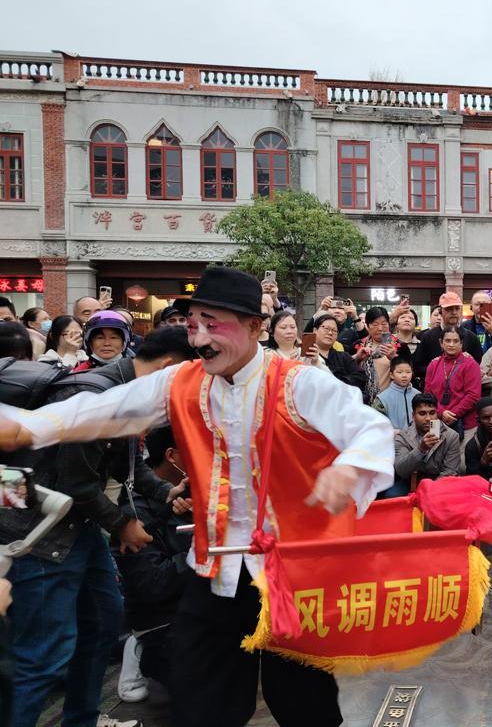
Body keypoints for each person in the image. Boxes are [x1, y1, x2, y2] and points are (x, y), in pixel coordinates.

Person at [0, 266, 395, 727]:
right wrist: (31, 427)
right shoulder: (181, 381)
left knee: (305, 704)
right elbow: (105, 408)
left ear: (254, 326)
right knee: (200, 700)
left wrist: (348, 469)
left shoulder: (299, 382)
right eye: (194, 325)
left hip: (294, 576)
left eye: (213, 324)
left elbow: (369, 427)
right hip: (215, 569)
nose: (200, 339)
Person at [1, 327, 196, 727]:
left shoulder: (126, 392)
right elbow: (76, 483)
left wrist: (165, 492)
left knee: (103, 624)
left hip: (77, 529)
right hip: (40, 534)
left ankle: (82, 719)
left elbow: (129, 462)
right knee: (44, 654)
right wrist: (123, 524)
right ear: (170, 368)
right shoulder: (91, 393)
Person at [113, 426, 192, 704]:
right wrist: (200, 552)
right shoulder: (133, 514)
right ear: (172, 455)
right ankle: (140, 650)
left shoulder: (194, 491)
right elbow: (152, 583)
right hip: (165, 621)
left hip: (201, 606)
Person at [389, 393, 461, 497]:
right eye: (422, 413)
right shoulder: (403, 437)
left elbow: (450, 471)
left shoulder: (451, 436)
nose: (428, 418)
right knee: (392, 495)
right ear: (413, 415)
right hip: (412, 482)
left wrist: (429, 491)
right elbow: (401, 471)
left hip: (440, 483)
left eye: (432, 413)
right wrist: (421, 450)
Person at [425, 326, 481, 440]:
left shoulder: (470, 364)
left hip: (464, 423)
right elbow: (428, 394)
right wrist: (441, 413)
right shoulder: (433, 364)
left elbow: (473, 396)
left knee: (461, 451)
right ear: (441, 343)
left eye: (455, 341)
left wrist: (452, 414)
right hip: (436, 421)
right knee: (435, 449)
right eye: (447, 341)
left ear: (461, 343)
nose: (451, 344)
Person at [414, 292, 483, 381]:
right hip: (435, 387)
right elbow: (418, 368)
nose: (454, 312)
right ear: (440, 311)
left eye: (457, 308)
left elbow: (479, 366)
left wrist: (470, 362)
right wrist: (437, 368)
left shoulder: (471, 337)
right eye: (449, 309)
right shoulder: (428, 336)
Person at [312, 313, 367, 396]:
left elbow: (361, 377)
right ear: (315, 330)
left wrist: (340, 381)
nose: (330, 333)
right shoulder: (308, 355)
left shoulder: (344, 357)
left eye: (334, 331)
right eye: (326, 328)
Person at [373, 357, 421, 431]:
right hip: (393, 437)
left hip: (417, 437)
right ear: (391, 375)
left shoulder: (418, 395)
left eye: (408, 372)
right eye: (399, 372)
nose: (404, 375)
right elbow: (377, 425)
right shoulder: (382, 399)